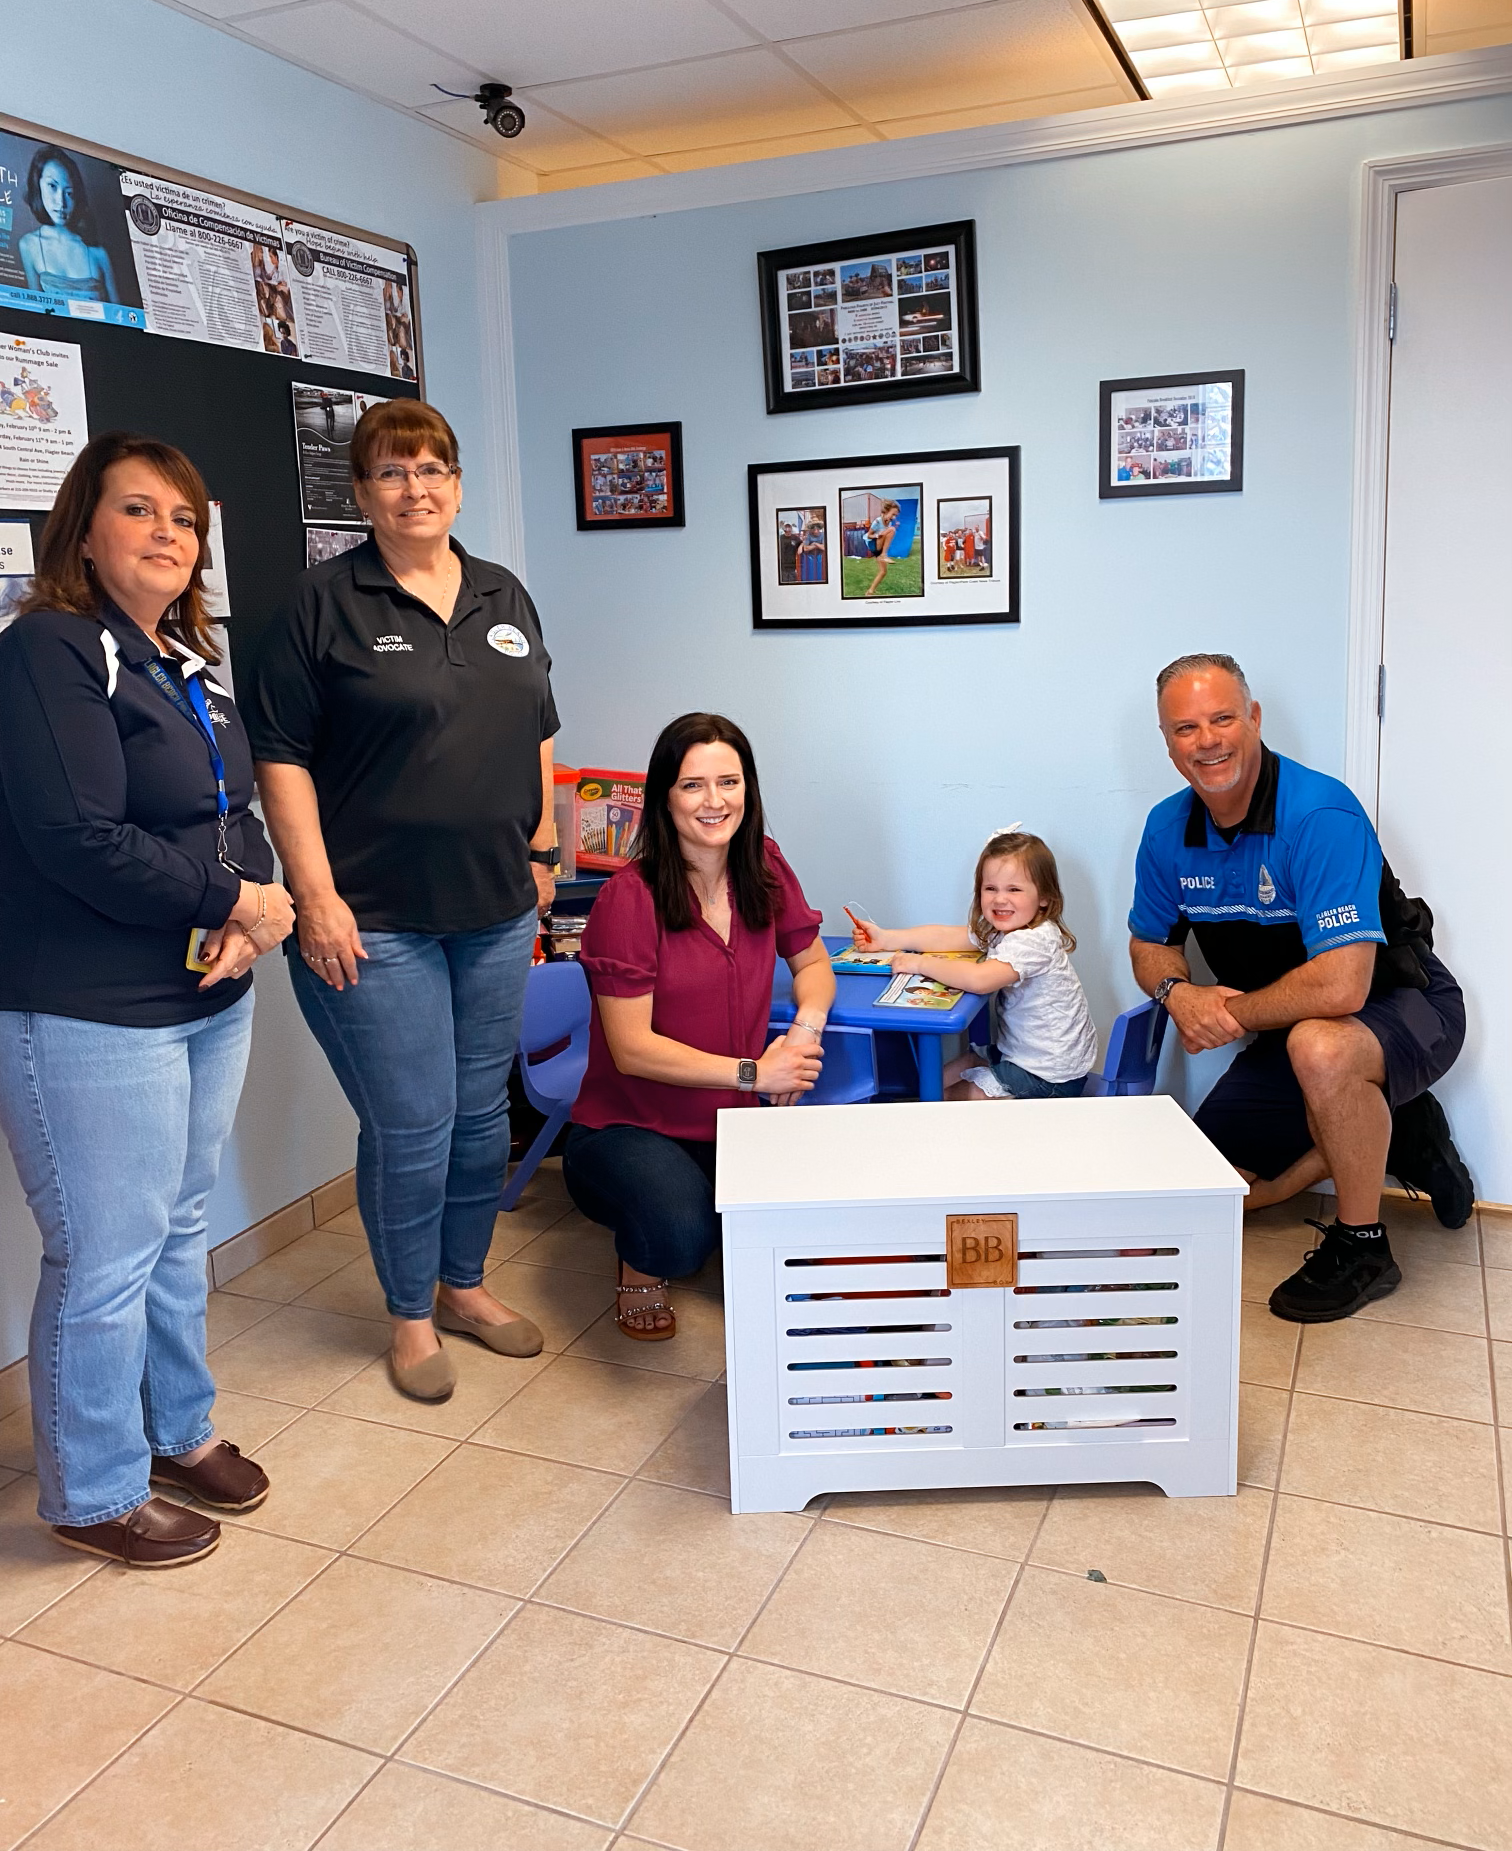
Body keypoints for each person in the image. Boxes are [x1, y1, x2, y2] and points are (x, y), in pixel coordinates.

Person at [0, 434, 295, 1567]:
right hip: (86, 1005)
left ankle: (177, 1430)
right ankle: (93, 1491)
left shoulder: (181, 660)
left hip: (204, 988)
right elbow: (77, 837)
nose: (168, 533)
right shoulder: (50, 653)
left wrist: (245, 900)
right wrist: (242, 901)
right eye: (140, 511)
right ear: (84, 528)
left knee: (178, 1228)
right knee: (106, 1249)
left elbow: (236, 807)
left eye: (185, 519)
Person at [248, 398, 554, 1403]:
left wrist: (543, 850)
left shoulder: (504, 595)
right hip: (372, 918)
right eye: (393, 471)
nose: (417, 487)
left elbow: (537, 725)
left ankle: (464, 1286)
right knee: (414, 1123)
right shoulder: (321, 604)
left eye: (434, 468)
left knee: (477, 1122)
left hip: (497, 911)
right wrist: (317, 896)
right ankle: (411, 1316)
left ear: (457, 484)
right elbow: (280, 758)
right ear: (362, 493)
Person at [1129, 653, 1470, 1323]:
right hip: (1290, 1031)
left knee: (1321, 1046)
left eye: (1222, 719)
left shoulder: (1318, 812)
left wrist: (1231, 1016)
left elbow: (1344, 984)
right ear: (1167, 743)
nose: (1208, 741)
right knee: (1220, 1183)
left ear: (1254, 719)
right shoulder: (1167, 830)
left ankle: (1364, 1245)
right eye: (1186, 728)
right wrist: (1182, 997)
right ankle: (1398, 1130)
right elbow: (1149, 944)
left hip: (1407, 1003)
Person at [564, 714, 834, 1339]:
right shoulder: (629, 899)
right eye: (693, 785)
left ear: (749, 789)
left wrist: (804, 1031)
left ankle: (697, 1199)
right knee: (681, 1239)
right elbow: (631, 1050)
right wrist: (753, 1073)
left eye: (729, 782)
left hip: (733, 1119)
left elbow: (813, 961)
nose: (715, 801)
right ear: (664, 795)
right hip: (629, 1123)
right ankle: (639, 1259)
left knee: (821, 1210)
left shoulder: (764, 865)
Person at [854, 830, 1098, 1100]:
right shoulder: (1005, 929)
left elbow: (980, 979)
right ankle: (916, 1105)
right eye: (990, 888)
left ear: (1044, 897)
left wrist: (919, 963)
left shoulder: (1034, 940)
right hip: (1026, 1055)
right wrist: (887, 937)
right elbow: (946, 936)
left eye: (1014, 889)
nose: (1000, 899)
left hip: (1049, 1076)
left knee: (942, 1097)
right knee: (930, 1083)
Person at [18, 147, 122, 306]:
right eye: (52, 186)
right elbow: (35, 313)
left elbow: (119, 315)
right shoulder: (28, 245)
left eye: (69, 193)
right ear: (37, 184)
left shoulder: (98, 253)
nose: (61, 202)